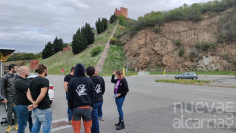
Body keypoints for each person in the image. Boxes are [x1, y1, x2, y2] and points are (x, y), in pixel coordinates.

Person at [68, 63, 95, 133]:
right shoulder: (89, 80)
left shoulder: (72, 81)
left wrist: (71, 107)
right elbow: (92, 94)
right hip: (87, 107)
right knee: (88, 128)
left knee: (76, 129)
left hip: (76, 107)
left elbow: (70, 96)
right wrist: (92, 105)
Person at [27, 64, 52, 133]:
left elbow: (28, 93)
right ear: (44, 70)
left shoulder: (32, 80)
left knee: (35, 128)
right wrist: (36, 103)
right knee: (46, 129)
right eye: (47, 69)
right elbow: (42, 95)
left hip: (35, 109)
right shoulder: (45, 80)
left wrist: (33, 103)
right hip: (44, 109)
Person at [86, 66, 105, 133]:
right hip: (100, 99)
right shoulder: (101, 78)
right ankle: (94, 129)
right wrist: (100, 95)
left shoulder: (88, 80)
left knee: (94, 119)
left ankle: (96, 131)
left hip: (94, 101)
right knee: (96, 117)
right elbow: (103, 89)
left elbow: (87, 92)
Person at [14, 66, 33, 133]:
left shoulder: (26, 79)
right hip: (22, 106)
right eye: (28, 71)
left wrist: (28, 91)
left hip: (29, 105)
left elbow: (30, 89)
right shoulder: (18, 81)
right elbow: (31, 90)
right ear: (24, 72)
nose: (29, 72)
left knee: (32, 123)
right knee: (22, 125)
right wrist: (29, 90)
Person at [0, 64, 18, 132]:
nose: (17, 69)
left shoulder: (16, 76)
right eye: (16, 68)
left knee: (16, 111)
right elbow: (2, 89)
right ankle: (9, 125)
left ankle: (16, 124)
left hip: (16, 97)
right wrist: (3, 98)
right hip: (9, 97)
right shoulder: (4, 77)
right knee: (9, 112)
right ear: (11, 69)